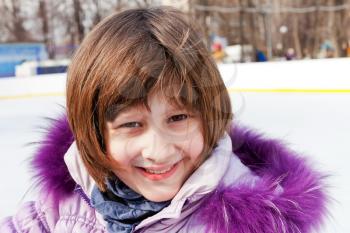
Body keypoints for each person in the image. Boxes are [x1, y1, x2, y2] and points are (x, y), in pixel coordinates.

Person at [0, 7, 328, 233]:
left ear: (208, 117)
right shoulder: (66, 203)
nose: (158, 150)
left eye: (178, 117)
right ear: (95, 133)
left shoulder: (243, 223)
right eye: (131, 124)